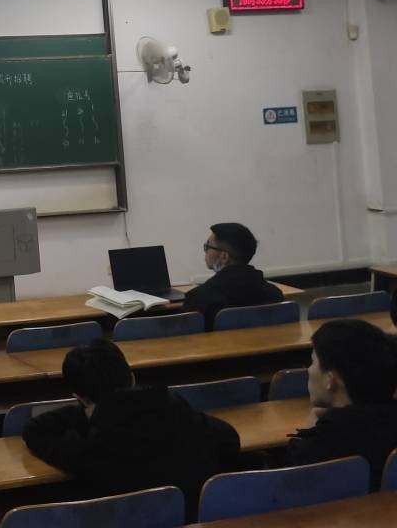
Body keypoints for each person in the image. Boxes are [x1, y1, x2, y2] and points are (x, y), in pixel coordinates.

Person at [23, 338, 240, 518]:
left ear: (80, 398)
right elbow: (230, 439)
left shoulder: (90, 447)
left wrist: (89, 409)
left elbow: (35, 429)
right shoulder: (177, 410)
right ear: (132, 378)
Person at [285, 318, 397, 489]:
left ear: (330, 380)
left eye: (313, 362)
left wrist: (310, 432)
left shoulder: (317, 447)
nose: (309, 369)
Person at [183, 222, 283, 328]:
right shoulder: (274, 294)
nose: (206, 251)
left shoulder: (199, 298)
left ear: (224, 257)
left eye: (208, 246)